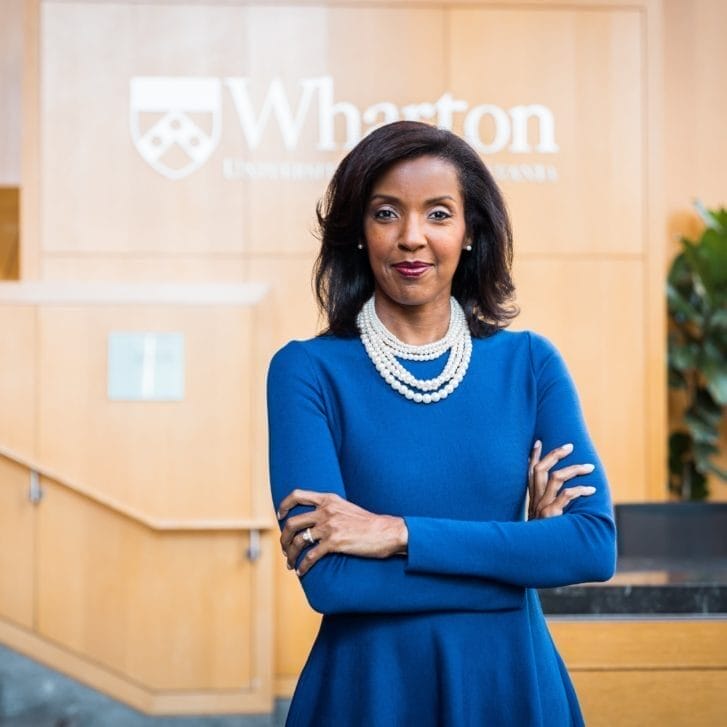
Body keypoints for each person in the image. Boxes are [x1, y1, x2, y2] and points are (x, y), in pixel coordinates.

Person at [267, 120, 616, 726]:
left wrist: (398, 533)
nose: (411, 238)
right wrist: (521, 566)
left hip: (511, 688)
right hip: (371, 692)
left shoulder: (530, 364)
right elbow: (335, 585)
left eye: (437, 214)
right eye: (385, 214)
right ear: (357, 232)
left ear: (470, 232)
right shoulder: (306, 372)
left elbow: (590, 545)